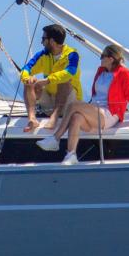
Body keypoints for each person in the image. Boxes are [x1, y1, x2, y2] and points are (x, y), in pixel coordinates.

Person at [63, 43, 129, 160]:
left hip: (109, 113)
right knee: (76, 117)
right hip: (95, 110)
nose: (100, 58)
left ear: (111, 59)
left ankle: (56, 138)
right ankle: (71, 155)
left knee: (74, 105)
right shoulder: (100, 71)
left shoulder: (124, 73)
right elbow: (96, 95)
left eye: (102, 56)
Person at [20, 23, 81, 156]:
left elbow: (70, 72)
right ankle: (32, 119)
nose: (42, 42)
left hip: (69, 103)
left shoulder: (72, 54)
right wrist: (27, 78)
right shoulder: (43, 55)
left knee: (64, 80)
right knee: (30, 82)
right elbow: (26, 69)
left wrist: (48, 80)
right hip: (49, 100)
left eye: (43, 39)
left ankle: (54, 116)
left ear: (52, 41)